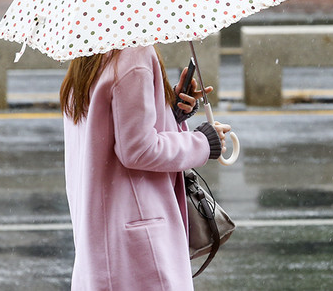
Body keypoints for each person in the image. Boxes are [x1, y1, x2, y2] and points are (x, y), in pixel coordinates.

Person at [59, 44, 231, 290]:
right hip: (139, 242)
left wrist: (169, 112)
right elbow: (138, 149)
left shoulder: (89, 56)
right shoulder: (134, 54)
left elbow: (113, 131)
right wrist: (204, 142)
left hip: (103, 237)